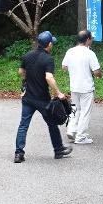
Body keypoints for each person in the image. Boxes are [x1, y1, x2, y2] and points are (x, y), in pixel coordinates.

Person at [15, 31, 72, 163]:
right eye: (52, 42)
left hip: (28, 98)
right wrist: (58, 93)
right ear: (49, 44)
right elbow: (49, 77)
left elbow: (21, 72)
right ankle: (58, 150)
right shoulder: (48, 59)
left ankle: (19, 154)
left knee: (23, 125)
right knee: (52, 123)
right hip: (42, 99)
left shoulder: (27, 55)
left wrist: (26, 84)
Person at [61, 29, 103, 145]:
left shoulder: (70, 51)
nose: (92, 41)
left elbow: (64, 67)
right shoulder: (90, 53)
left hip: (74, 86)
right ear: (88, 39)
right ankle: (81, 137)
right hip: (86, 87)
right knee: (85, 111)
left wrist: (74, 69)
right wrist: (100, 74)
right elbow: (96, 72)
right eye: (91, 39)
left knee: (75, 109)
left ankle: (71, 130)